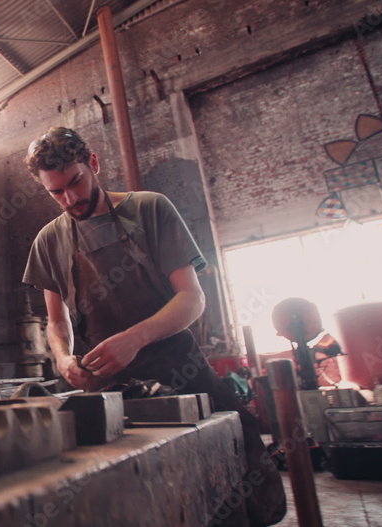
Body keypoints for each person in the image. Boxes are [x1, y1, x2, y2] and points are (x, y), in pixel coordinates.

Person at [22, 127, 286, 527]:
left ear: (93, 164)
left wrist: (136, 337)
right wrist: (62, 358)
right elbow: (56, 321)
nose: (70, 199)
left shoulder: (149, 209)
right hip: (105, 384)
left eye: (75, 182)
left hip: (178, 368)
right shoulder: (48, 241)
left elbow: (193, 298)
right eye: (56, 192)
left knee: (239, 451)